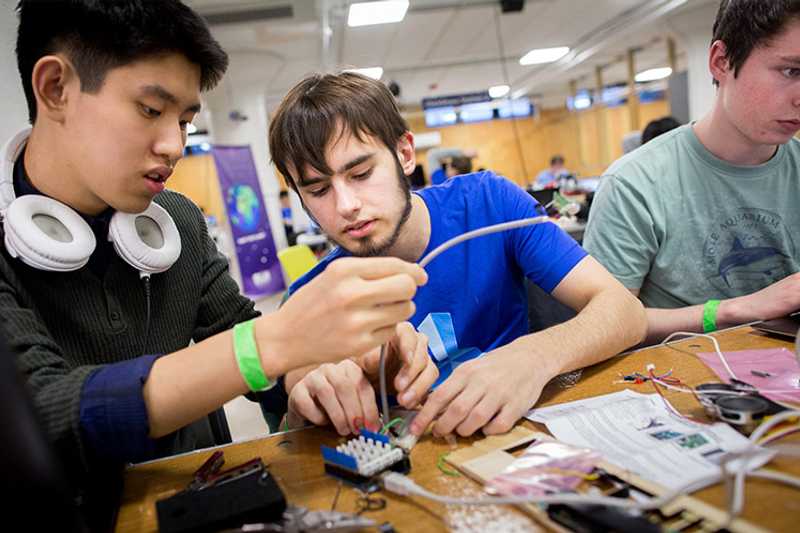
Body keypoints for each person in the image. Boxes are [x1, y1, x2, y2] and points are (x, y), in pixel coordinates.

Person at [1, 0, 427, 503]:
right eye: (151, 110)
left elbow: (238, 335)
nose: (175, 145)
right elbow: (45, 416)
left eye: (183, 120)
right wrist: (276, 341)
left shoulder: (175, 219)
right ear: (55, 88)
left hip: (204, 492)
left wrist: (318, 370)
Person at [268, 72, 646, 438]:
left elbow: (625, 311)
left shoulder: (489, 203)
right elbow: (295, 408)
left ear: (404, 153)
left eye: (362, 173)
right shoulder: (309, 297)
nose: (347, 205)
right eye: (318, 190)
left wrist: (535, 356)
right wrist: (308, 403)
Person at [584, 0, 800, 345]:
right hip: (681, 382)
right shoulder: (635, 184)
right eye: (791, 71)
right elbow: (598, 326)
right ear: (721, 62)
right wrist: (734, 310)